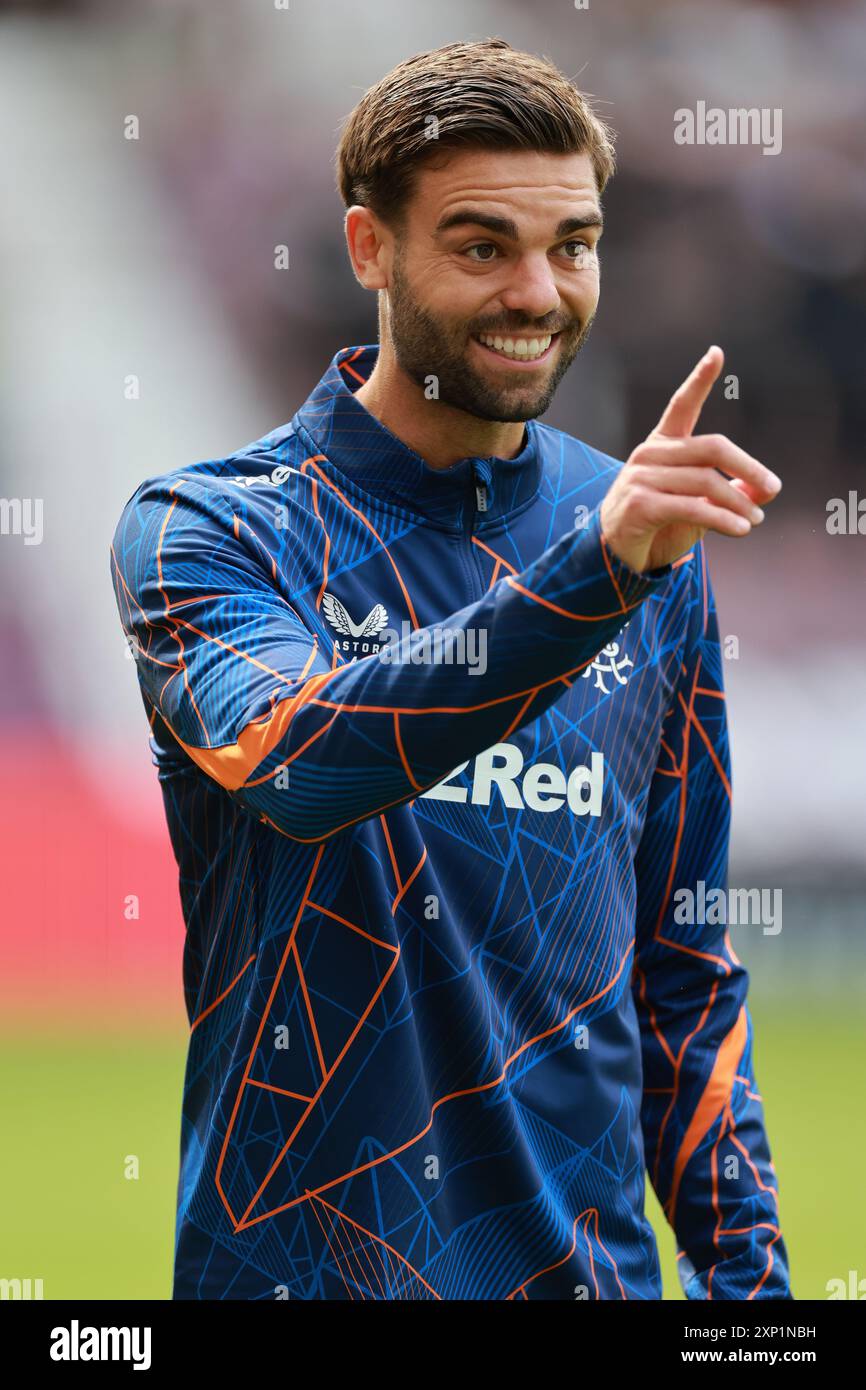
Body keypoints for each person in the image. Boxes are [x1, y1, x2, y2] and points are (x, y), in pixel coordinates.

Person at [110, 38, 790, 1300]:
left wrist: (751, 1301)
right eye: (482, 246)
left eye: (571, 245)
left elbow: (681, 969)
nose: (537, 290)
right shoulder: (211, 529)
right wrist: (594, 575)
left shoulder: (642, 547)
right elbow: (296, 763)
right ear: (369, 250)